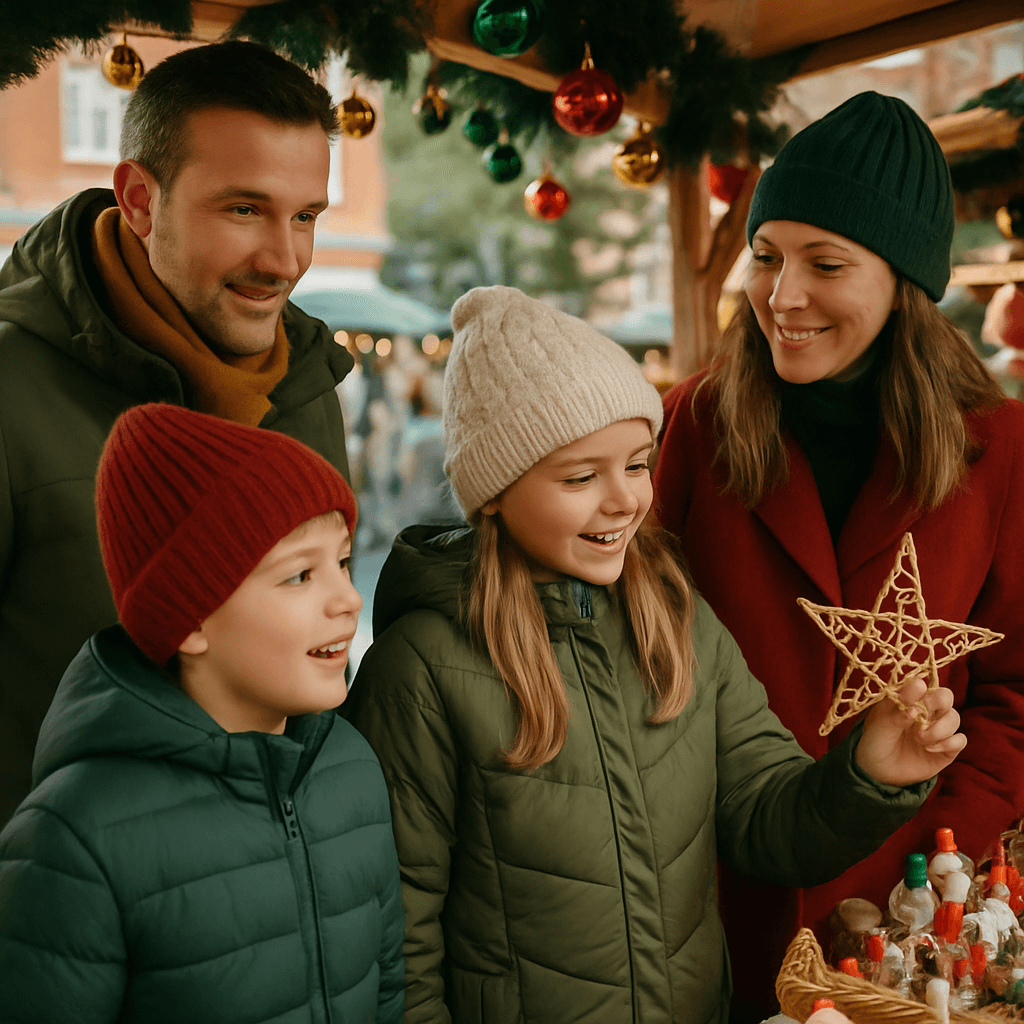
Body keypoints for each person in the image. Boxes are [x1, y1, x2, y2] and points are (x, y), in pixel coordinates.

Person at [343, 285, 967, 1024]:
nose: (623, 500)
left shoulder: (676, 617)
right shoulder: (419, 673)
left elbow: (766, 820)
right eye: (580, 476)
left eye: (637, 464)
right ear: (493, 495)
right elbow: (397, 949)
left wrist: (868, 774)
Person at [653, 91, 1024, 1023]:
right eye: (767, 257)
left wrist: (937, 851)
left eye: (826, 264)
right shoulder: (692, 424)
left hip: (907, 929)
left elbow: (1017, 696)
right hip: (712, 907)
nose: (783, 296)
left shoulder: (1004, 449)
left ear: (905, 281)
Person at [0, 40, 355, 823]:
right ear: (138, 200)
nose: (284, 258)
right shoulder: (11, 386)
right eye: (243, 209)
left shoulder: (308, 385)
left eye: (305, 216)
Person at [0, 403, 403, 1023]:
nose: (348, 599)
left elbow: (386, 991)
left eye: (344, 562)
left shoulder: (350, 768)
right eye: (300, 575)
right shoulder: (73, 838)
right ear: (189, 620)